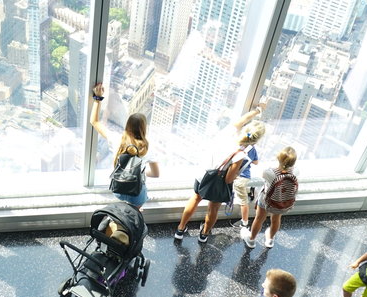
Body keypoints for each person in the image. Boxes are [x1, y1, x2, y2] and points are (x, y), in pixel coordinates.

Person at [174, 107, 265, 244]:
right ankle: (203, 235)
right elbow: (228, 178)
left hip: (203, 173)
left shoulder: (228, 133)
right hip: (218, 183)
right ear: (255, 141)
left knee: (195, 198)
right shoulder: (240, 154)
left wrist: (258, 110)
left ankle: (180, 230)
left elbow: (242, 120)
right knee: (213, 209)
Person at [89, 82, 160, 210]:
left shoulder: (117, 140)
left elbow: (94, 122)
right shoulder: (149, 149)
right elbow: (155, 174)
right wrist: (141, 173)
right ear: (144, 129)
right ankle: (135, 215)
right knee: (137, 208)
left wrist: (97, 98)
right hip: (136, 193)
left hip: (118, 188)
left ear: (127, 126)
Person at [240, 146, 298, 250]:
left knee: (259, 219)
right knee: (276, 220)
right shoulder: (295, 172)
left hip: (266, 200)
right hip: (281, 201)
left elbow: (263, 176)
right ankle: (270, 239)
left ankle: (251, 240)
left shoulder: (269, 172)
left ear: (278, 159)